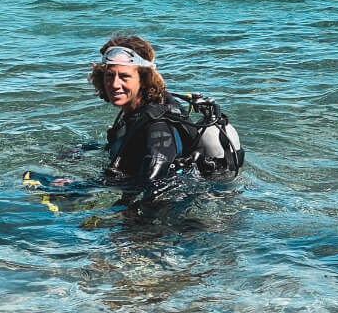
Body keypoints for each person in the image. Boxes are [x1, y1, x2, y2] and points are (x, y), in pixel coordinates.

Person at [88, 35, 242, 206]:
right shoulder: (137, 112)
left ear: (144, 79)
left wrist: (109, 214)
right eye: (110, 76)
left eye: (125, 77)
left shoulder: (158, 126)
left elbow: (152, 184)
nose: (115, 84)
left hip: (174, 219)